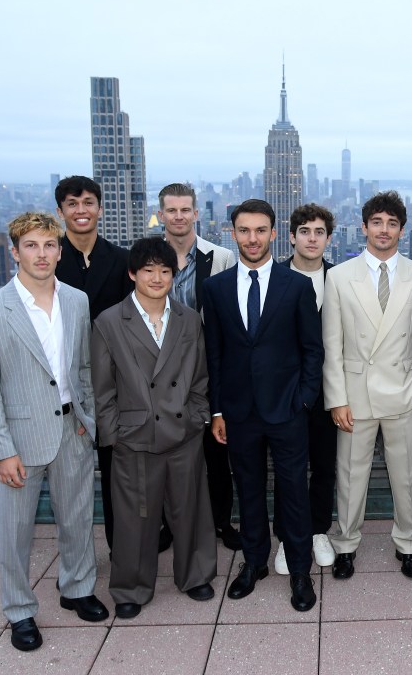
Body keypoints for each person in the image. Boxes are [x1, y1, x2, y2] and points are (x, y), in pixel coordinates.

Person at [0, 212, 108, 652]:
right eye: (31, 245)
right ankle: (19, 611)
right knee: (15, 532)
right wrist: (2, 450)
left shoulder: (76, 301)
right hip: (21, 439)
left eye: (49, 245)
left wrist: (88, 421)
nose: (42, 254)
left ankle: (77, 589)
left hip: (73, 427)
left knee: (77, 518)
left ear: (60, 250)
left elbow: (83, 366)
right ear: (15, 252)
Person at [202, 199, 323, 611]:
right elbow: (213, 355)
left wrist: (305, 400)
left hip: (288, 410)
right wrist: (217, 410)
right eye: (244, 231)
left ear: (274, 234)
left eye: (260, 230)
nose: (252, 238)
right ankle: (254, 563)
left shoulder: (297, 286)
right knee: (248, 490)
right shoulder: (215, 289)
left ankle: (301, 571)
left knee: (294, 492)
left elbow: (313, 350)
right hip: (238, 412)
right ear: (232, 234)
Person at [91, 237, 219, 619]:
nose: (157, 277)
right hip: (135, 437)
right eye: (148, 270)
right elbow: (101, 387)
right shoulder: (110, 321)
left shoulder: (187, 318)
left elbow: (200, 377)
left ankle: (195, 575)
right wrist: (115, 434)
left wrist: (198, 417)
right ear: (132, 274)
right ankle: (131, 587)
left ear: (174, 275)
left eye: (165, 270)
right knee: (134, 519)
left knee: (191, 509)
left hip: (183, 433)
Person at [323, 191, 412, 580]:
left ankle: (408, 545)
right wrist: (337, 398)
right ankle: (346, 545)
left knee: (406, 476)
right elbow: (332, 345)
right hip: (355, 395)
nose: (384, 230)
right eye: (377, 222)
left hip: (404, 391)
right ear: (364, 227)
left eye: (391, 223)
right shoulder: (338, 276)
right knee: (350, 475)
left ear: (402, 230)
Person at [157, 182, 241, 551]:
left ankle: (221, 521)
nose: (178, 216)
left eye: (185, 210)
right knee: (163, 454)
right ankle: (168, 525)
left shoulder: (221, 257)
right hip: (158, 375)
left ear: (196, 214)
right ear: (160, 215)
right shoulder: (146, 258)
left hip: (207, 371)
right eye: (171, 210)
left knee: (216, 453)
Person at [53, 175, 133, 555]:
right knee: (71, 483)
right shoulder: (49, 260)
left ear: (100, 209)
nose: (81, 210)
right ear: (61, 211)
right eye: (72, 203)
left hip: (112, 384)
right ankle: (77, 564)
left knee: (119, 477)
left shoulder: (120, 259)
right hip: (63, 386)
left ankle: (122, 553)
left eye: (88, 202)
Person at [271, 203, 338, 575]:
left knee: (325, 465)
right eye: (305, 231)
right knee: (287, 468)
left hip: (330, 391)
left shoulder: (341, 278)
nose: (312, 238)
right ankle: (287, 535)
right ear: (292, 235)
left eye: (319, 232)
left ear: (329, 238)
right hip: (286, 391)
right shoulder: (274, 277)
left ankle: (317, 530)